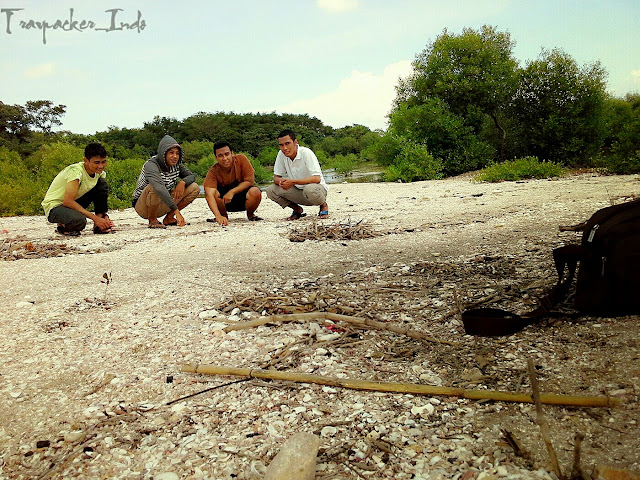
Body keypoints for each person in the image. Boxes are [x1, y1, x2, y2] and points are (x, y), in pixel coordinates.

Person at [42, 142, 115, 236]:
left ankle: (99, 224)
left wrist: (102, 217)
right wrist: (94, 218)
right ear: (86, 160)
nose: (100, 166)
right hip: (55, 207)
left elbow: (100, 194)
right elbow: (67, 201)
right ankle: (63, 225)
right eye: (96, 162)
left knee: (101, 184)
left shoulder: (98, 172)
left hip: (72, 203)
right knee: (79, 221)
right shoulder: (76, 172)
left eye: (103, 162)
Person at [132, 135, 199, 228]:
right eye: (171, 153)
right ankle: (152, 220)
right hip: (144, 205)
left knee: (194, 187)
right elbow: (159, 187)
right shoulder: (151, 165)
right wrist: (177, 211)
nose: (175, 156)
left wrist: (182, 182)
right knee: (154, 186)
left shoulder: (177, 165)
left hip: (163, 202)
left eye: (177, 153)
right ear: (164, 153)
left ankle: (169, 218)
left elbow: (191, 176)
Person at [266, 129, 329, 220]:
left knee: (309, 189)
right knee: (271, 190)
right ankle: (297, 210)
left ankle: (323, 205)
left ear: (295, 142)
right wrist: (282, 182)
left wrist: (292, 182)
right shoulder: (281, 154)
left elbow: (317, 179)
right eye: (281, 145)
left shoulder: (306, 153)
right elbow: (276, 178)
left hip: (316, 191)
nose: (285, 148)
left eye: (287, 143)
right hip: (299, 191)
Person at [203, 141, 263, 225]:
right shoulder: (213, 171)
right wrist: (217, 215)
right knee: (214, 193)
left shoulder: (241, 159)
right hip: (224, 203)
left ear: (232, 153)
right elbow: (209, 194)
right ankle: (223, 216)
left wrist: (232, 192)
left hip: (243, 199)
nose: (224, 158)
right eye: (220, 156)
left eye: (227, 154)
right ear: (216, 158)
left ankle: (250, 215)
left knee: (255, 191)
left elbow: (249, 181)